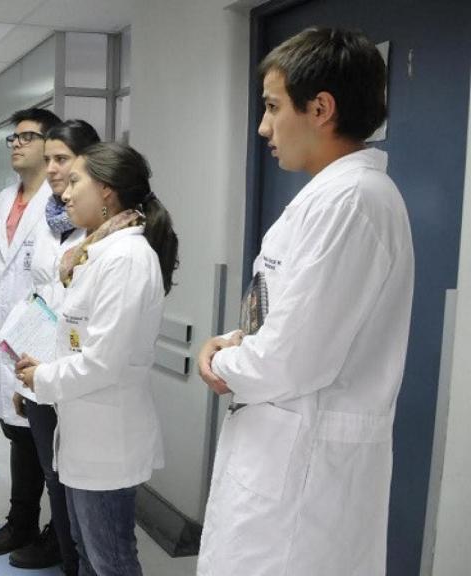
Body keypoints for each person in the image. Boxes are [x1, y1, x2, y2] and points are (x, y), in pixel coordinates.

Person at [196, 27, 414, 576]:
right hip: (279, 457)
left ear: (320, 108)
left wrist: (220, 360)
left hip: (301, 481)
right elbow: (285, 320)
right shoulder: (325, 198)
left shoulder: (354, 202)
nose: (263, 126)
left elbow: (293, 358)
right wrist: (235, 340)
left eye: (272, 107)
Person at [16, 142, 179, 576]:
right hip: (84, 434)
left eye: (74, 182)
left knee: (111, 561)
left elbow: (102, 361)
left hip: (108, 442)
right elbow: (76, 338)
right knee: (89, 556)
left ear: (106, 191)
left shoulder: (126, 259)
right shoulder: (94, 253)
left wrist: (44, 378)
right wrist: (37, 375)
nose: (64, 194)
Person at [9, 119, 100, 575]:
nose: (51, 169)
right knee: (55, 477)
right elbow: (40, 299)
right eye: (48, 160)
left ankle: (80, 562)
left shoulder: (107, 227)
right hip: (42, 368)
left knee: (82, 484)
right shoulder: (49, 221)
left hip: (83, 375)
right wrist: (27, 378)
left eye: (62, 159)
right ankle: (68, 561)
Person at [0, 107, 61, 563]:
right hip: (8, 337)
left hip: (43, 340)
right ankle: (21, 522)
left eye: (28, 136)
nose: (16, 143)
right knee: (19, 435)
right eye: (14, 136)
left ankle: (55, 532)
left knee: (48, 443)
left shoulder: (60, 199)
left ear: (50, 146)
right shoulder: (2, 200)